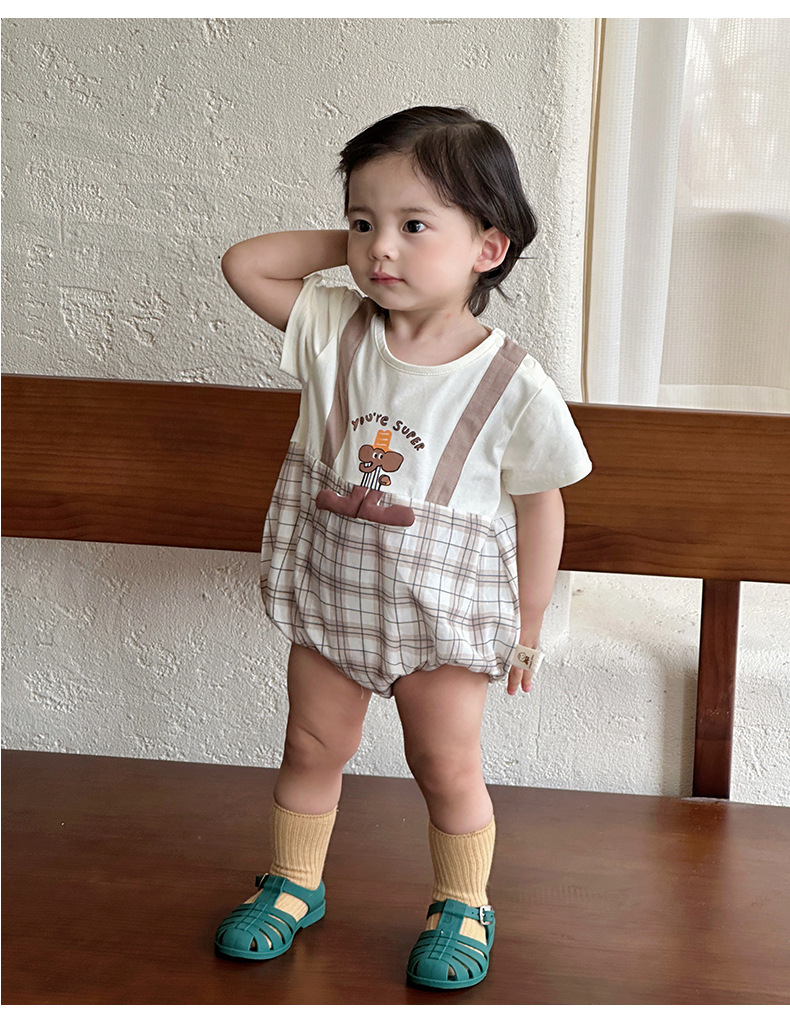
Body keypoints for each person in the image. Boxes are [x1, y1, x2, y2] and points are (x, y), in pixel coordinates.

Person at [214, 106, 592, 990]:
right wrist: (364, 242)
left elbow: (543, 507)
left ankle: (463, 903)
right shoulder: (332, 326)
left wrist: (529, 623)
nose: (381, 248)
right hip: (334, 594)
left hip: (444, 616)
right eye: (362, 222)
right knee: (311, 743)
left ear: (488, 247)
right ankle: (293, 883)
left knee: (444, 762)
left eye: (415, 226)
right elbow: (245, 264)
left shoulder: (513, 382)